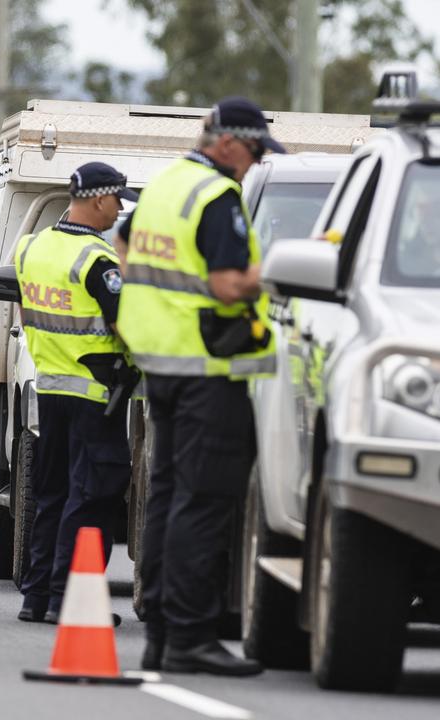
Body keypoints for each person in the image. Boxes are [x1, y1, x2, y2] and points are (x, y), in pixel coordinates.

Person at [118, 97, 279, 676]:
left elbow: (124, 238)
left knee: (166, 495)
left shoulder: (166, 184)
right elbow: (230, 283)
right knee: (204, 500)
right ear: (231, 143)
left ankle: (161, 632)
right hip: (208, 367)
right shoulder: (216, 195)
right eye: (256, 151)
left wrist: (152, 305)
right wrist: (279, 266)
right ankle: (190, 635)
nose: (255, 164)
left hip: (161, 364)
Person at [15, 162, 136, 625]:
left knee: (51, 493)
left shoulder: (30, 248)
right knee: (94, 495)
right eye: (118, 199)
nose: (120, 209)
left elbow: (28, 317)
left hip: (48, 386)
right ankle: (73, 596)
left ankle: (37, 596)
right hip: (94, 391)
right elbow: (126, 326)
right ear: (100, 199)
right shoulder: (97, 261)